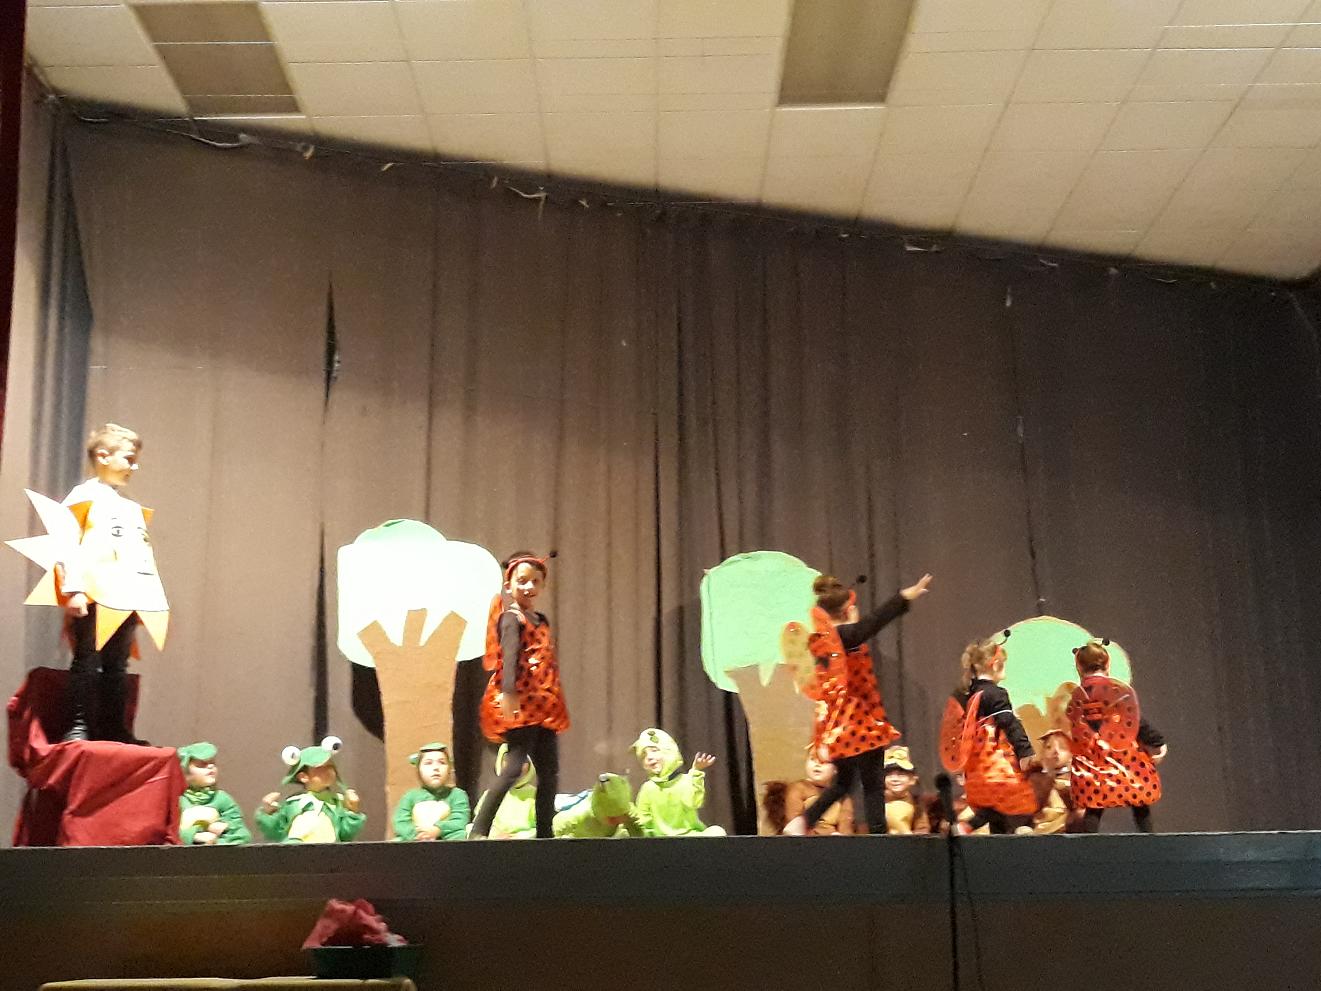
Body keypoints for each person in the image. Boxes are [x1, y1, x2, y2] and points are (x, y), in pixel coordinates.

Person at [782, 572, 933, 836]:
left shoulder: (824, 640)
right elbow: (874, 622)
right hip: (861, 724)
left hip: (841, 724)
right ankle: (878, 838)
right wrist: (904, 597)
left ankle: (803, 822)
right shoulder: (846, 636)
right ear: (848, 609)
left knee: (843, 783)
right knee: (872, 784)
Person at [58, 423, 168, 743]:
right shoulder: (84, 497)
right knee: (88, 658)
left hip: (127, 596)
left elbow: (141, 554)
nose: (134, 467)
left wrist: (147, 600)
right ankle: (78, 725)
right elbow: (67, 544)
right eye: (129, 459)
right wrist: (75, 589)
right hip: (97, 593)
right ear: (104, 456)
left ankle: (114, 728)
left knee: (117, 664)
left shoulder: (129, 506)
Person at [471, 552, 568, 839]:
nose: (529, 587)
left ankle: (545, 833)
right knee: (513, 767)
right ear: (509, 584)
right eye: (522, 581)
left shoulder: (541, 620)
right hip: (522, 704)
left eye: (535, 582)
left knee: (549, 771)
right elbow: (509, 657)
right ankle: (479, 829)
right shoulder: (511, 619)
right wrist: (508, 691)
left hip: (544, 704)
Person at [1066, 640, 1166, 833]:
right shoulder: (1117, 690)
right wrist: (1156, 741)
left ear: (1079, 667)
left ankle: (1089, 844)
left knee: (1094, 803)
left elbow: (1074, 723)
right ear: (1107, 664)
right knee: (1139, 796)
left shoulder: (1077, 695)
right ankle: (1149, 838)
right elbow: (1134, 719)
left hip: (1092, 757)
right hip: (1123, 754)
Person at [945, 637, 1037, 834]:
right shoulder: (996, 694)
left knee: (994, 806)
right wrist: (1025, 752)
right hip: (996, 765)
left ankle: (967, 826)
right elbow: (1009, 723)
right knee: (1021, 801)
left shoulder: (967, 694)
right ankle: (1023, 832)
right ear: (995, 665)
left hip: (975, 769)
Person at [255, 737, 365, 843]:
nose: (328, 771)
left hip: (329, 851)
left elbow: (346, 835)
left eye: (330, 766)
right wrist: (269, 812)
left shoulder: (337, 803)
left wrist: (352, 811)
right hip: (297, 851)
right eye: (320, 768)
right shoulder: (294, 804)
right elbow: (276, 832)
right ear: (303, 777)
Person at [632, 728, 725, 837]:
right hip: (660, 841)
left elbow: (694, 802)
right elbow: (643, 820)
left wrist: (696, 772)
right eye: (643, 755)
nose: (649, 757)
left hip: (689, 838)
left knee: (717, 831)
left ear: (669, 752)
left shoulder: (685, 781)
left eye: (654, 750)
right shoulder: (648, 788)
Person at [392, 742, 470, 841]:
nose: (436, 768)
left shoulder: (457, 795)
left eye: (442, 762)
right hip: (415, 840)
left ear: (449, 768)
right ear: (419, 769)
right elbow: (401, 822)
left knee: (461, 835)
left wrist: (438, 829)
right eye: (428, 763)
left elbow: (460, 819)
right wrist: (418, 834)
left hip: (446, 839)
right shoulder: (410, 796)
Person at [177, 742, 251, 846]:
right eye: (201, 765)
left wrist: (226, 827)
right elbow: (167, 832)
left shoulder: (222, 799)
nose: (210, 767)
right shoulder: (177, 800)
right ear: (185, 772)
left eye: (213, 763)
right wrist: (193, 836)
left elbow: (239, 829)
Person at [882, 745, 930, 835]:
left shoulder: (916, 804)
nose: (894, 779)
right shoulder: (878, 803)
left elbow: (922, 829)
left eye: (901, 775)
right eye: (889, 775)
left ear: (912, 779)